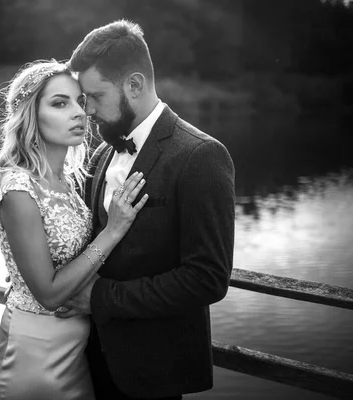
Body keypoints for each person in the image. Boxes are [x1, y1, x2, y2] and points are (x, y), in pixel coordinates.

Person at [55, 20, 236, 400]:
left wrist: (101, 298)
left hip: (154, 372)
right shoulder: (105, 151)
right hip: (88, 360)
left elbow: (207, 279)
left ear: (134, 85)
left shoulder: (201, 156)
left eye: (94, 96)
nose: (86, 110)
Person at [0, 60, 149, 400]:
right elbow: (51, 294)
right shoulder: (18, 190)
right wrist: (112, 232)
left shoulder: (69, 181)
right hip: (35, 356)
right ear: (30, 115)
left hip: (75, 349)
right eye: (60, 103)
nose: (79, 113)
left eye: (79, 101)